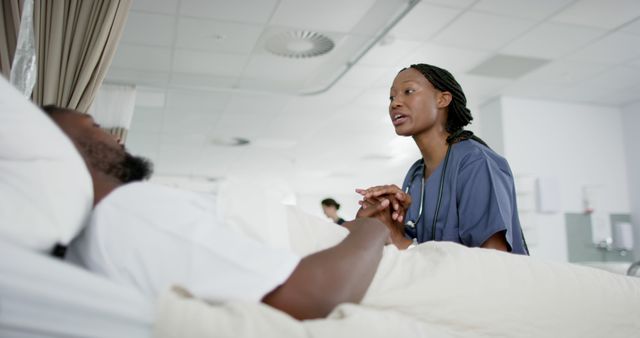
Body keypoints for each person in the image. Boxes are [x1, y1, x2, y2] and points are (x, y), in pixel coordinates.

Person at [42, 105, 392, 321]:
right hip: (377, 267)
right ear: (60, 146)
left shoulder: (104, 230)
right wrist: (369, 230)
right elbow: (315, 295)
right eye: (94, 126)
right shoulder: (126, 213)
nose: (115, 138)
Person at [356, 64, 528, 254]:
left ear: (442, 99)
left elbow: (493, 259)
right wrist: (387, 223)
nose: (395, 103)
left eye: (409, 91)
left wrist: (402, 243)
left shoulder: (475, 162)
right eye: (392, 97)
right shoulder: (415, 175)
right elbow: (416, 251)